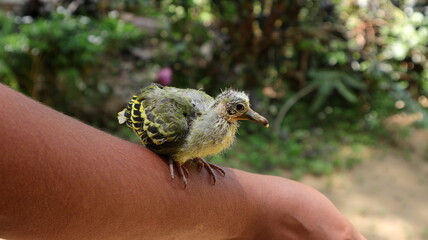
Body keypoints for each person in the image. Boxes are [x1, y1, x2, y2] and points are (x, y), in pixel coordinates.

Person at [0, 84, 366, 240]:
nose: (249, 115)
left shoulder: (218, 127)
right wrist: (256, 211)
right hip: (160, 111)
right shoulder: (176, 126)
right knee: (172, 141)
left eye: (246, 110)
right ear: (226, 108)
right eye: (241, 111)